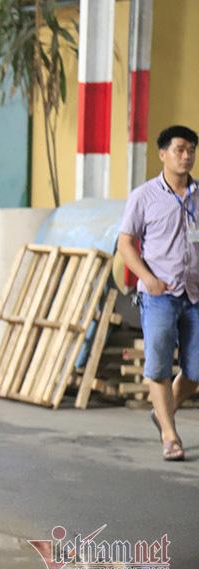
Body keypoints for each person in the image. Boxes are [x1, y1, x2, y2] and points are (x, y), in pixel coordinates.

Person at [117, 124, 199, 462]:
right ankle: (169, 434)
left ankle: (162, 409)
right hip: (159, 293)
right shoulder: (144, 196)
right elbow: (125, 243)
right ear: (163, 153)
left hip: (195, 294)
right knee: (159, 364)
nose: (186, 155)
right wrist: (148, 279)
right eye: (180, 149)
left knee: (195, 371)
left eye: (191, 150)